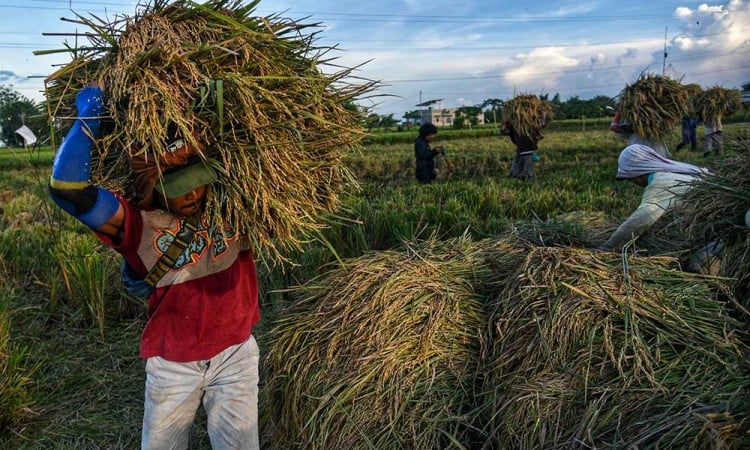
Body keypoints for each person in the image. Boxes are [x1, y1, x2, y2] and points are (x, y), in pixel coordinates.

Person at [49, 85, 261, 449]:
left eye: (197, 184)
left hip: (236, 353)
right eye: (179, 187)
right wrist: (90, 116)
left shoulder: (233, 207)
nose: (192, 194)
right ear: (153, 187)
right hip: (173, 363)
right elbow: (68, 189)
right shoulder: (139, 225)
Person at [598, 144, 709, 252]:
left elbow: (643, 218)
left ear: (637, 173)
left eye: (630, 178)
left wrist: (608, 248)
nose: (633, 182)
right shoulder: (675, 171)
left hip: (711, 230)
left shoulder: (660, 182)